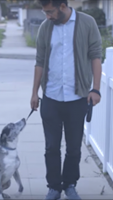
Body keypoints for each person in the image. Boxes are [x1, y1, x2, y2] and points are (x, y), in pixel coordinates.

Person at [30, 0, 102, 199]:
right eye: (45, 12)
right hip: (51, 97)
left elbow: (96, 55)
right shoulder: (46, 28)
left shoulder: (87, 23)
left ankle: (70, 184)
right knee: (51, 146)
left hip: (77, 97)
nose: (48, 16)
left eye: (50, 12)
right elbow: (39, 61)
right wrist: (34, 92)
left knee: (73, 148)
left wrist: (95, 89)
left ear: (62, 6)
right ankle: (54, 187)